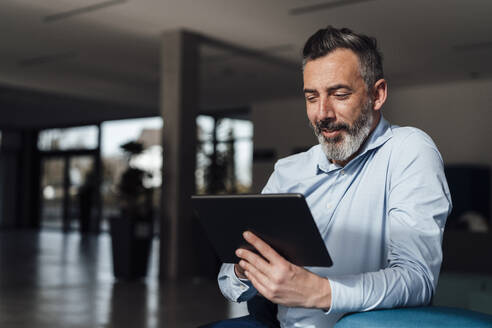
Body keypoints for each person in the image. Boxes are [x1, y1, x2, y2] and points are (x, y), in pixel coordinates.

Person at [202, 26, 452, 328]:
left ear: (377, 94)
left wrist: (319, 292)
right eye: (312, 97)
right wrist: (246, 270)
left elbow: (417, 280)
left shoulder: (409, 150)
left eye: (340, 94)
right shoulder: (289, 170)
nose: (323, 113)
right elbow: (229, 282)